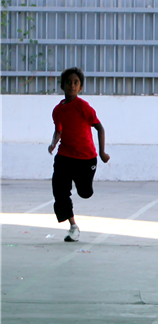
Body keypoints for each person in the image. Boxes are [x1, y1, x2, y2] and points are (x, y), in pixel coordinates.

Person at [48, 68, 110, 243]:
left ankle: (81, 181)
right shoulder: (58, 110)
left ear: (80, 87)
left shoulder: (83, 107)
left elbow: (99, 128)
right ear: (62, 85)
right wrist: (53, 143)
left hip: (86, 158)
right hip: (65, 156)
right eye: (68, 82)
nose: (72, 86)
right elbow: (58, 130)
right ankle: (73, 226)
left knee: (85, 193)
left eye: (76, 83)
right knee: (60, 190)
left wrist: (102, 152)